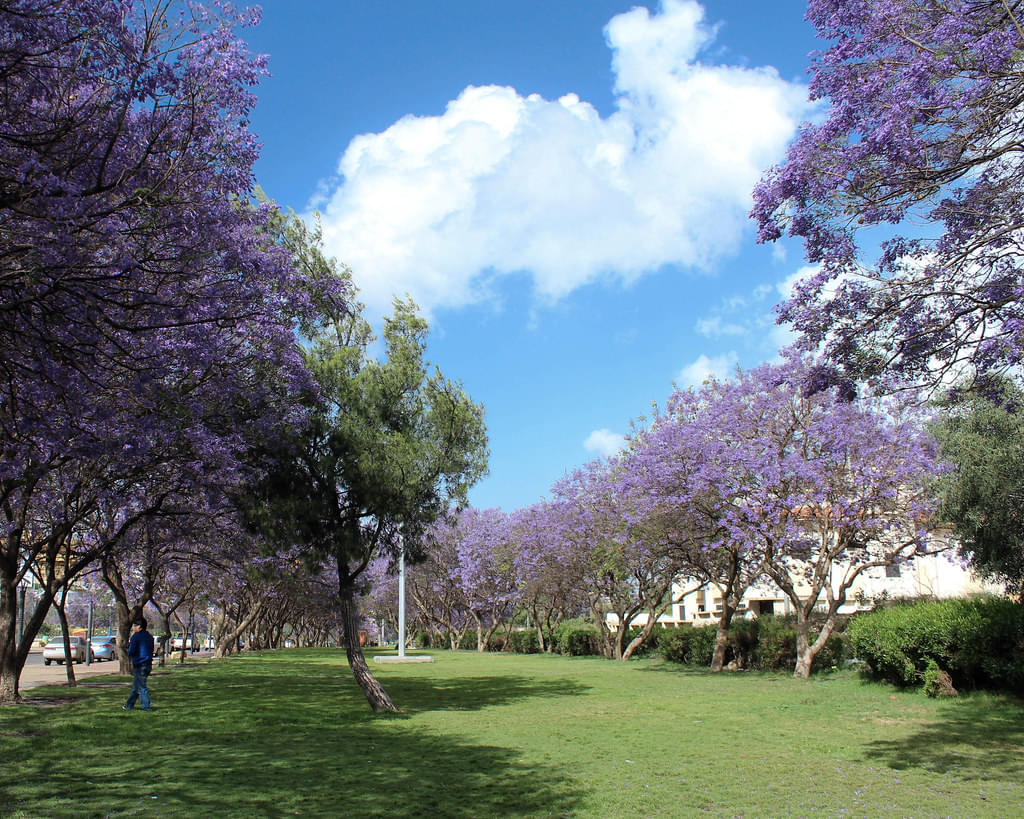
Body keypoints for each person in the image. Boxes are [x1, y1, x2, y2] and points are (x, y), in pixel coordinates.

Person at [123, 617, 155, 711]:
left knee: (141, 687)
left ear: (139, 626)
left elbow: (131, 651)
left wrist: (128, 650)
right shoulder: (149, 636)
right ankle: (129, 705)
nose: (133, 627)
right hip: (148, 664)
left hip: (140, 664)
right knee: (136, 686)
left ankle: (147, 706)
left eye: (134, 625)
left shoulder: (136, 637)